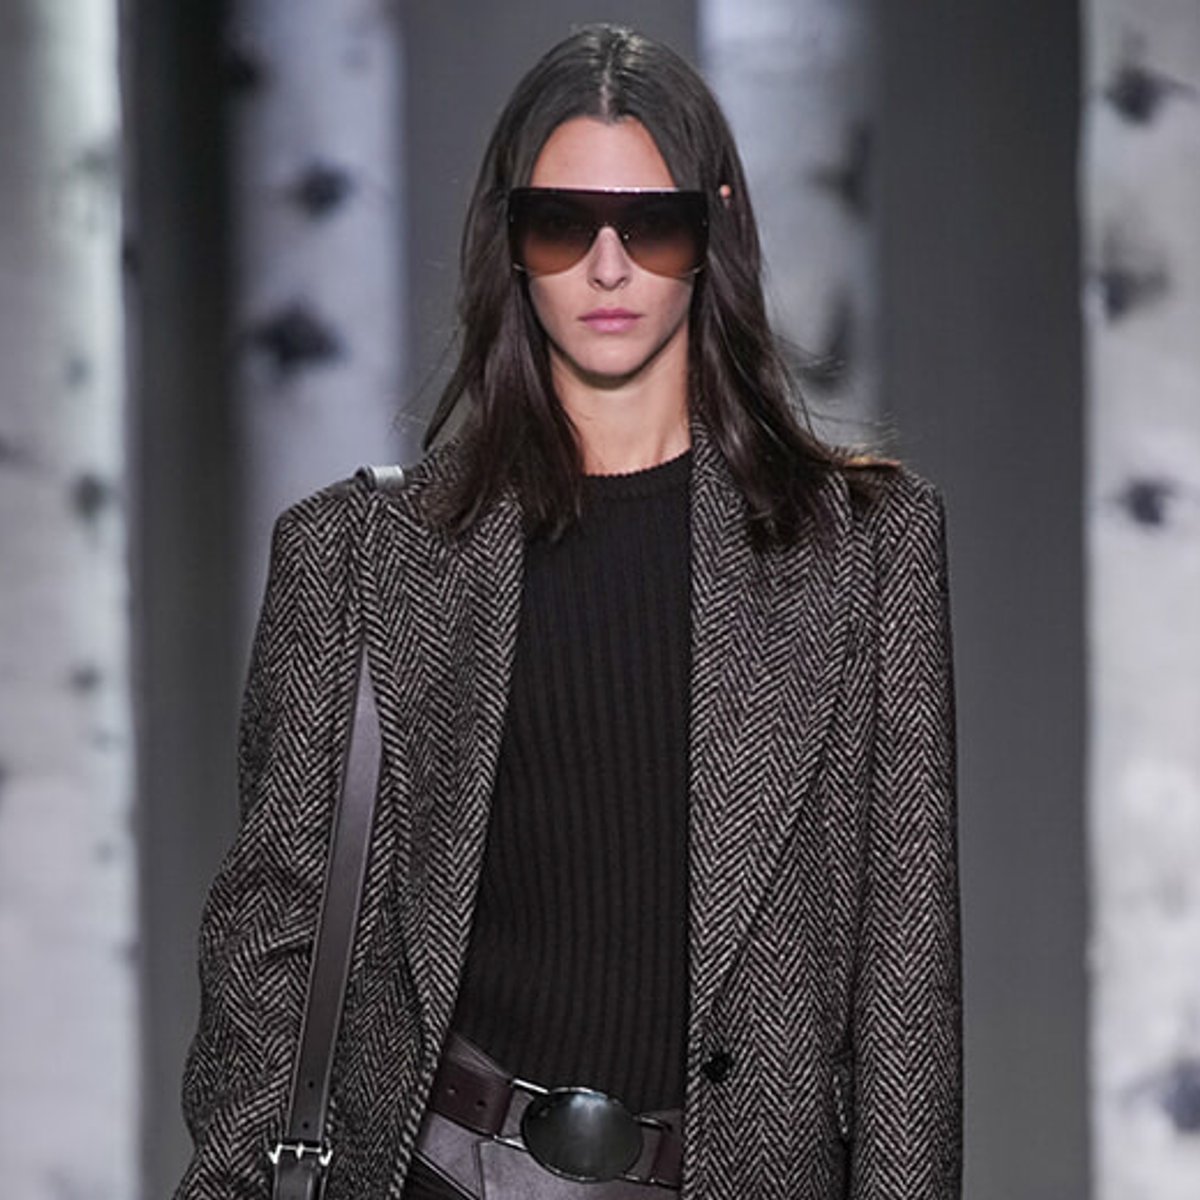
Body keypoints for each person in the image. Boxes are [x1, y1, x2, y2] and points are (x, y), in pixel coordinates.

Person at [175, 23, 961, 1200]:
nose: (606, 267)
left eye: (650, 226)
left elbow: (905, 995)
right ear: (509, 238)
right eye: (561, 224)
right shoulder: (357, 557)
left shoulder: (865, 555)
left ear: (714, 230)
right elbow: (267, 956)